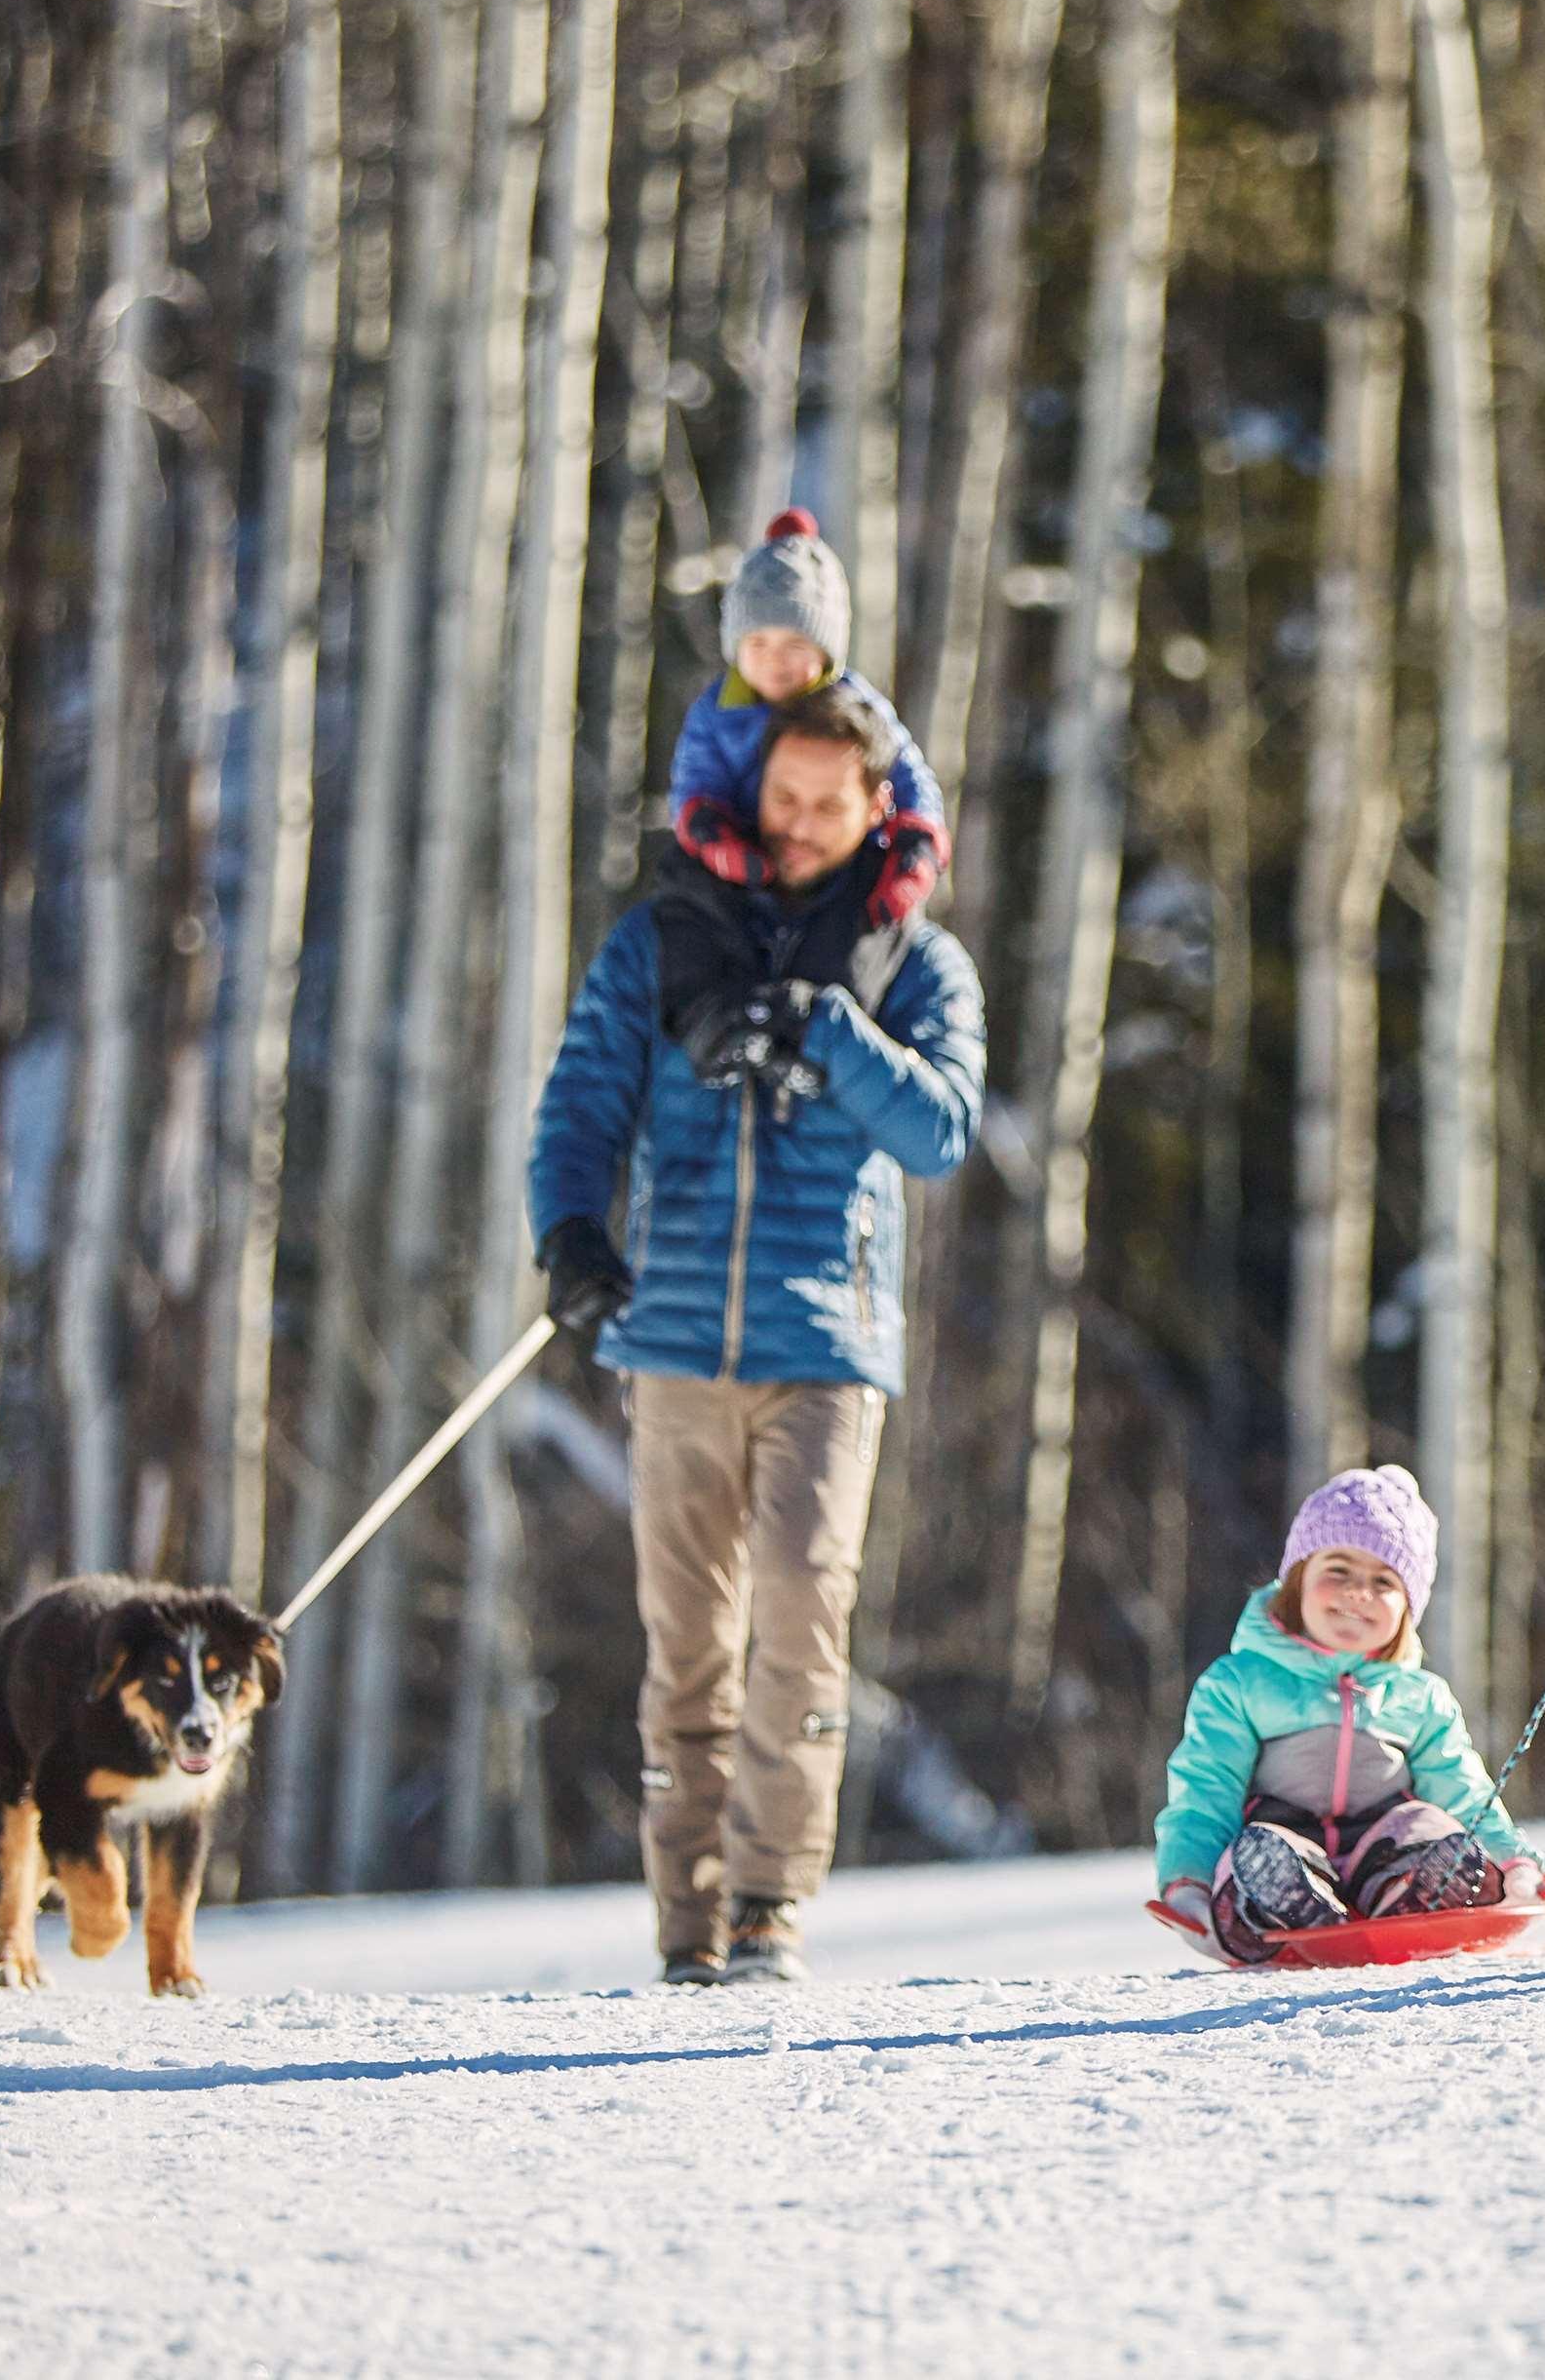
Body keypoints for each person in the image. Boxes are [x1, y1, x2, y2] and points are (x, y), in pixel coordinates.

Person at [528, 683, 985, 1987]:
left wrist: (831, 1037)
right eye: (778, 797)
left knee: (798, 1614)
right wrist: (569, 1232)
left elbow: (940, 1131)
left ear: (874, 808)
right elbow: (580, 1102)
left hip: (826, 1347)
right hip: (670, 1338)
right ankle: (687, 1919)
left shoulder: (914, 962)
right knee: (687, 1646)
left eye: (823, 805)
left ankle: (768, 1906)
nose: (793, 824)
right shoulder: (668, 939)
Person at [1148, 1466, 1545, 1966]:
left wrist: (1513, 1863)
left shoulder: (1418, 1697)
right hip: (1283, 1844)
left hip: (1380, 1850)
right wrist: (1189, 1881)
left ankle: (1416, 1891)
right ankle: (1279, 1904)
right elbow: (1205, 1791)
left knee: (1428, 1825)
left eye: (1383, 1581)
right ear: (1296, 1582)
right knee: (1258, 1851)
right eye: (1338, 1570)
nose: (1359, 1592)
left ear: (1407, 1607)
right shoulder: (1240, 1683)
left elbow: (1462, 1789)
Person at [670, 508, 948, 930]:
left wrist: (916, 847)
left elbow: (908, 776)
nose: (774, 660)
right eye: (757, 642)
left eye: (794, 644)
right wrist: (709, 832)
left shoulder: (857, 710)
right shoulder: (718, 712)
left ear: (826, 651)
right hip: (747, 871)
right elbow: (697, 778)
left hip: (841, 876)